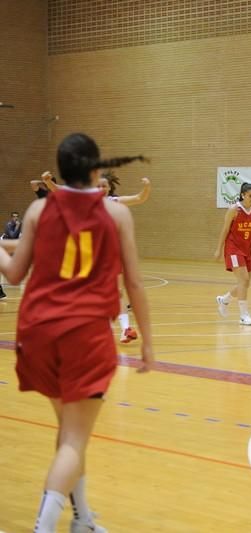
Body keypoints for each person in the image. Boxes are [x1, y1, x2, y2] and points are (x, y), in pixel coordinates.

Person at [0, 133, 155, 533]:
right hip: (83, 335)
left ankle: (82, 518)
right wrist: (149, 344)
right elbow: (134, 285)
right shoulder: (116, 214)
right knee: (73, 440)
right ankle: (45, 525)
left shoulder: (39, 209)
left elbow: (14, 274)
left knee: (71, 435)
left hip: (35, 332)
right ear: (96, 169)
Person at [44, 170, 151, 343]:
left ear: (109, 188)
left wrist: (146, 187)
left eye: (105, 185)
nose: (101, 188)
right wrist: (48, 182)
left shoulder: (113, 202)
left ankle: (125, 329)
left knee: (117, 292)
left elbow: (139, 198)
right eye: (98, 185)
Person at [214, 182, 251, 326]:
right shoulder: (234, 210)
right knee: (243, 279)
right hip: (233, 248)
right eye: (250, 196)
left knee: (246, 283)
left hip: (246, 250)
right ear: (243, 195)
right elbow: (224, 230)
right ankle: (243, 315)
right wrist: (218, 249)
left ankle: (224, 300)